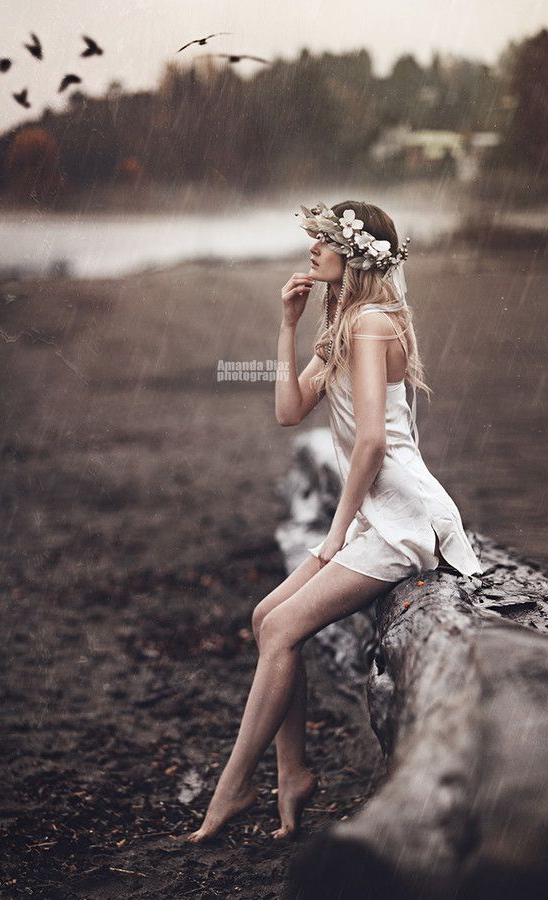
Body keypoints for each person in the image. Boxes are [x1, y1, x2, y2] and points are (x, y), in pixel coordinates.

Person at [186, 200, 482, 844]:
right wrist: (286, 324)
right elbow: (289, 411)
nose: (312, 249)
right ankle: (291, 773)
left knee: (283, 625)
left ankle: (234, 786)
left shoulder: (373, 323)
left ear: (355, 254)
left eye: (324, 240)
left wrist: (332, 538)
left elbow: (372, 443)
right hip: (376, 515)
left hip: (403, 516)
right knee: (266, 619)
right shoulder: (344, 324)